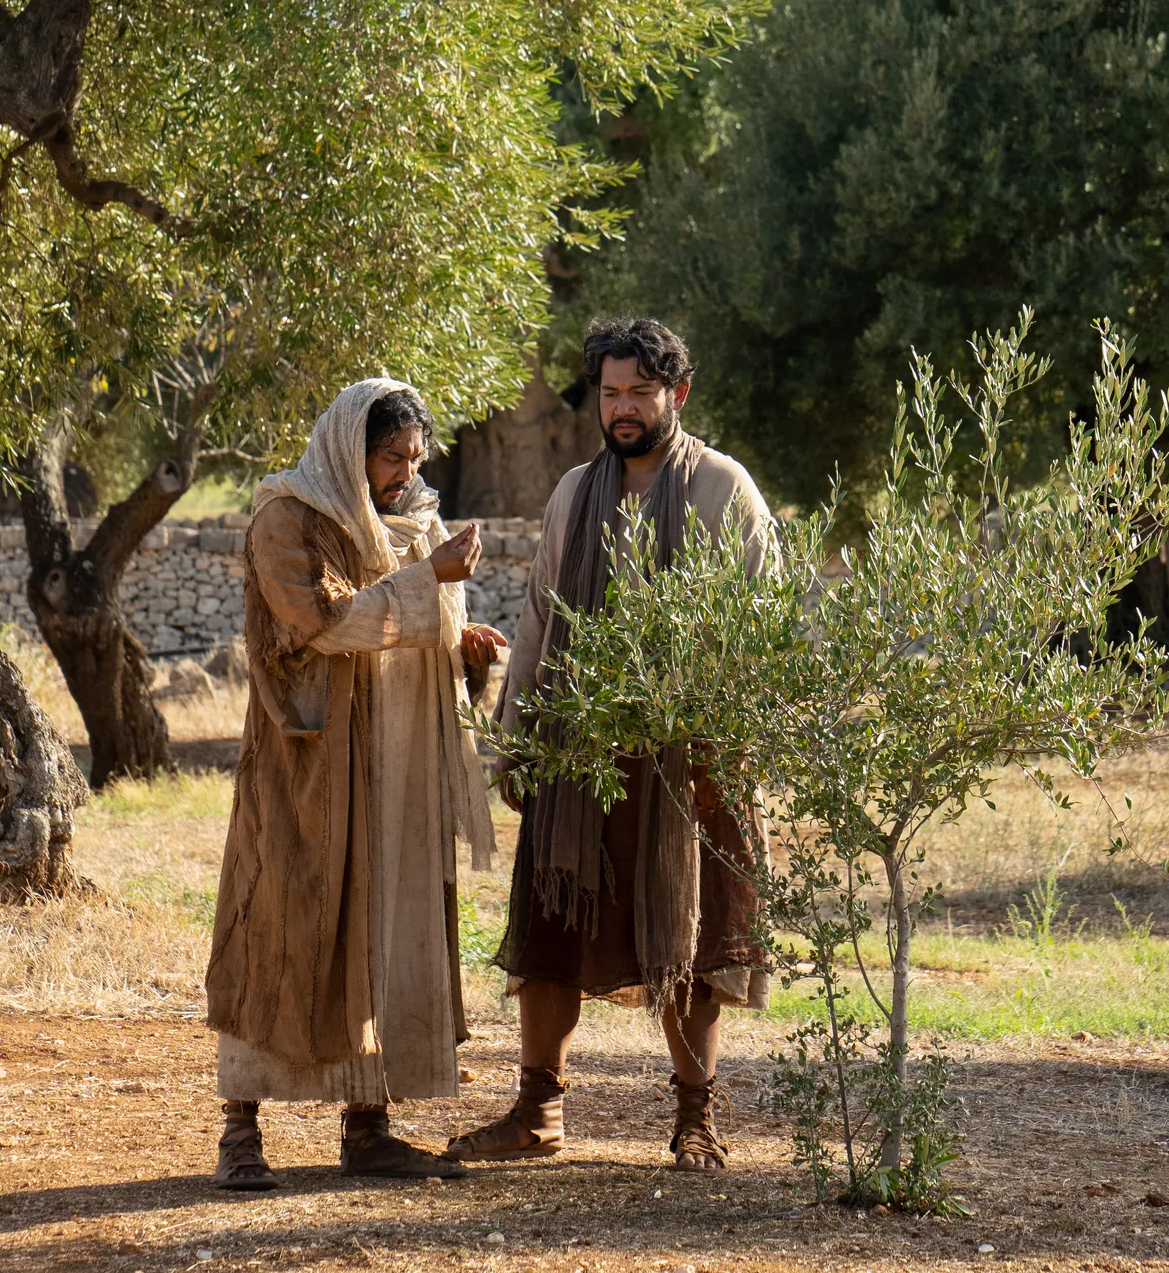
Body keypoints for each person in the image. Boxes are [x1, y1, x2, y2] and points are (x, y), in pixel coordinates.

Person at [449, 317, 777, 1170]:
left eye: (639, 391)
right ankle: (536, 1114)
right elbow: (539, 620)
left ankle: (697, 1117)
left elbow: (764, 626)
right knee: (553, 928)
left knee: (690, 939)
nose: (623, 408)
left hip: (691, 758)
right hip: (579, 752)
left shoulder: (722, 489)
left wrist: (730, 749)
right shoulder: (573, 494)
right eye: (611, 392)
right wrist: (519, 741)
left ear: (679, 393)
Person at [201, 380, 509, 1192]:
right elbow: (319, 625)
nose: (403, 472)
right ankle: (241, 1131)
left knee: (381, 932)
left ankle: (369, 1127)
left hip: (395, 768)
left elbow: (417, 624)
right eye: (389, 456)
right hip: (309, 770)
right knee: (282, 924)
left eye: (414, 457)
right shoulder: (287, 520)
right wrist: (427, 585)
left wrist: (460, 643)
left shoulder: (415, 519)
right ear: (349, 448)